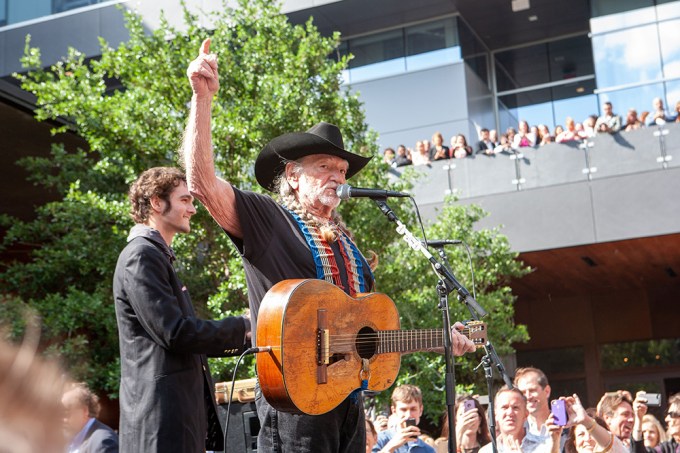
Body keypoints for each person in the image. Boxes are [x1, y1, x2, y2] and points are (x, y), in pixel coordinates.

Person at [181, 38, 477, 453]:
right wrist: (202, 99)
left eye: (341, 170)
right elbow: (201, 184)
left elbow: (369, 342)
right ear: (294, 176)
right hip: (294, 404)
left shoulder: (353, 252)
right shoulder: (269, 219)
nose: (337, 177)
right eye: (324, 167)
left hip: (349, 403)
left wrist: (443, 338)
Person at [112, 167, 251, 453]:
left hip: (174, 422)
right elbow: (175, 332)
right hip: (160, 424)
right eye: (185, 200)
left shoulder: (155, 256)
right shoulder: (141, 256)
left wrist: (246, 335)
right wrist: (243, 326)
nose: (192, 209)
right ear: (155, 202)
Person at [478, 386, 551, 453]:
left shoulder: (545, 446)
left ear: (526, 414)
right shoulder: (486, 451)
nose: (510, 413)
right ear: (495, 415)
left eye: (515, 407)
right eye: (504, 407)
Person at [372, 385, 435, 453]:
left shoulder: (427, 450)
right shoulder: (378, 440)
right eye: (403, 410)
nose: (408, 415)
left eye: (413, 409)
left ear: (421, 410)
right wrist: (392, 446)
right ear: (394, 411)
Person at [556, 396, 628, 453]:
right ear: (575, 443)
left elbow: (610, 444)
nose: (587, 439)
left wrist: (586, 420)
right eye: (581, 434)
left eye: (592, 434)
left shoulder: (617, 449)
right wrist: (554, 439)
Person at [61, 382, 119, 453]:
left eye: (66, 414)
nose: (62, 420)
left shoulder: (103, 442)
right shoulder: (68, 440)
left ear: (85, 411)